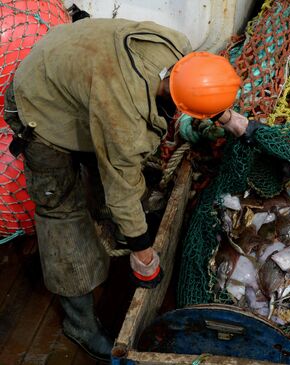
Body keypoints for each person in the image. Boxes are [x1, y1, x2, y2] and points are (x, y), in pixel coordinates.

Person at [3, 18, 249, 361]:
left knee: (116, 171)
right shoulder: (124, 116)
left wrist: (230, 119)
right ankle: (81, 324)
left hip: (70, 64)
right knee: (61, 212)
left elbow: (196, 87)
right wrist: (142, 252)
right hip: (39, 104)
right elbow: (119, 183)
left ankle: (119, 224)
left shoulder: (177, 46)